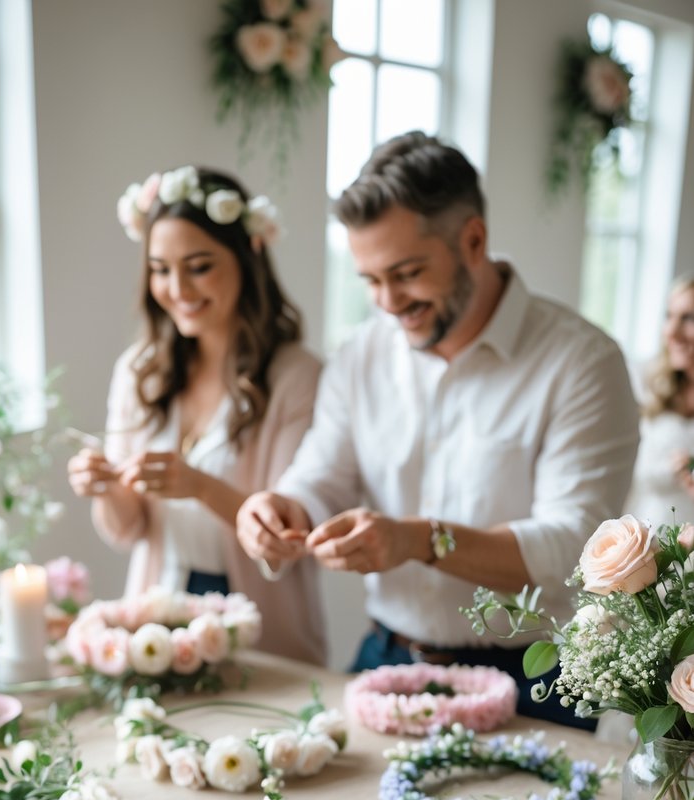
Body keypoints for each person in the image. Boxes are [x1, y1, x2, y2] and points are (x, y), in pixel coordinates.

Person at [236, 131, 639, 724]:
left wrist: (418, 539)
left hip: (534, 680)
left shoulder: (582, 361)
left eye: (406, 273)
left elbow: (571, 543)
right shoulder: (361, 356)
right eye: (370, 280)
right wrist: (280, 506)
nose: (387, 301)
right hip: (385, 660)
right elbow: (322, 476)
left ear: (473, 240)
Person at [68, 165, 326, 665]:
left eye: (199, 265)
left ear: (247, 257)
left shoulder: (298, 376)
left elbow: (287, 540)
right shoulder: (140, 370)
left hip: (263, 629)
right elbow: (127, 530)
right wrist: (107, 486)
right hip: (156, 623)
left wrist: (201, 486)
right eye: (161, 269)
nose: (178, 287)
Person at [625, 275, 694, 527]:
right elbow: (629, 469)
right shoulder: (647, 380)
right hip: (648, 521)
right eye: (669, 316)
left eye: (688, 318)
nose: (671, 332)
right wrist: (670, 469)